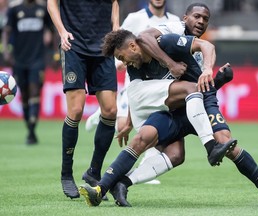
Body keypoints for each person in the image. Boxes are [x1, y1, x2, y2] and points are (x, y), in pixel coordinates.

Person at [109, 3, 258, 208]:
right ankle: (114, 182)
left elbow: (203, 83)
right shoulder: (172, 30)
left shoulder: (197, 45)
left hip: (198, 101)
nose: (200, 22)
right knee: (168, 151)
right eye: (196, 17)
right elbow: (144, 42)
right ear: (185, 18)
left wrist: (217, 79)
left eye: (205, 19)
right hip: (175, 104)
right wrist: (171, 64)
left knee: (226, 143)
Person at [78, 29, 238, 207]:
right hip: (144, 97)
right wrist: (171, 64)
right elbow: (146, 36)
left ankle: (113, 185)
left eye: (122, 57)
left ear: (131, 47)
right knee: (190, 89)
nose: (124, 63)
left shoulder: (168, 39)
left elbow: (151, 38)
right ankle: (210, 146)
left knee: (176, 155)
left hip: (159, 103)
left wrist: (216, 78)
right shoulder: (146, 49)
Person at [84, 0, 180, 185]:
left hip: (161, 82)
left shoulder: (174, 20)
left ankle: (145, 164)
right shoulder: (136, 18)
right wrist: (119, 62)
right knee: (125, 125)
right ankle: (102, 114)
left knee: (150, 127)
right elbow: (116, 42)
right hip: (136, 82)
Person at [47, 0, 120, 199]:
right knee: (76, 110)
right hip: (73, 45)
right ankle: (66, 174)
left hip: (104, 46)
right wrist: (61, 31)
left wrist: (115, 27)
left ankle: (93, 173)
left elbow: (114, 2)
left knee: (111, 110)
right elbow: (52, 3)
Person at [2, 0, 54, 145]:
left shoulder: (42, 10)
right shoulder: (14, 10)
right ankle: (29, 128)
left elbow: (52, 30)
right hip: (19, 59)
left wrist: (54, 53)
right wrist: (6, 51)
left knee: (35, 91)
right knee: (24, 95)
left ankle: (32, 131)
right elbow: (7, 31)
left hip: (37, 59)